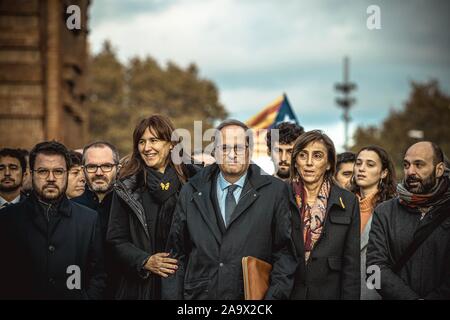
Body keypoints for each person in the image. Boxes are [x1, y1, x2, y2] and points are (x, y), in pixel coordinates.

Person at [163, 119, 297, 300]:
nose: (232, 154)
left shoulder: (275, 191)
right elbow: (176, 256)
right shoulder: (191, 191)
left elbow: (285, 255)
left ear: (249, 152)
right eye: (225, 148)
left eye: (239, 148)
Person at [106, 115, 200, 300]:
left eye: (154, 140)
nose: (147, 148)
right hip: (140, 288)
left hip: (185, 286)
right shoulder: (127, 187)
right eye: (141, 142)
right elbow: (115, 239)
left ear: (171, 144)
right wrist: (145, 261)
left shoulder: (195, 182)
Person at [0, 141, 106, 299]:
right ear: (31, 173)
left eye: (58, 171)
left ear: (66, 173)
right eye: (43, 171)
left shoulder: (89, 219)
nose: (51, 178)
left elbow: (99, 274)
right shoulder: (7, 219)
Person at [367, 141, 450, 299]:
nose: (410, 171)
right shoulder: (384, 212)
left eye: (419, 165)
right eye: (406, 165)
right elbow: (373, 271)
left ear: (439, 169)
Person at [288, 130, 360, 300]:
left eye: (317, 156)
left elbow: (352, 266)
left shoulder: (348, 201)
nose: (309, 163)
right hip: (287, 292)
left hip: (328, 293)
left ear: (328, 164)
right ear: (296, 162)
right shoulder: (279, 195)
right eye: (303, 155)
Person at [72, 141, 120, 299]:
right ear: (83, 170)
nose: (99, 172)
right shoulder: (70, 207)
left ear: (117, 168)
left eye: (106, 166)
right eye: (92, 167)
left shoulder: (132, 206)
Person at [351, 145, 396, 300]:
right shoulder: (343, 204)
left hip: (376, 292)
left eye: (370, 165)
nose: (361, 169)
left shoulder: (393, 210)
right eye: (358, 163)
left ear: (383, 173)